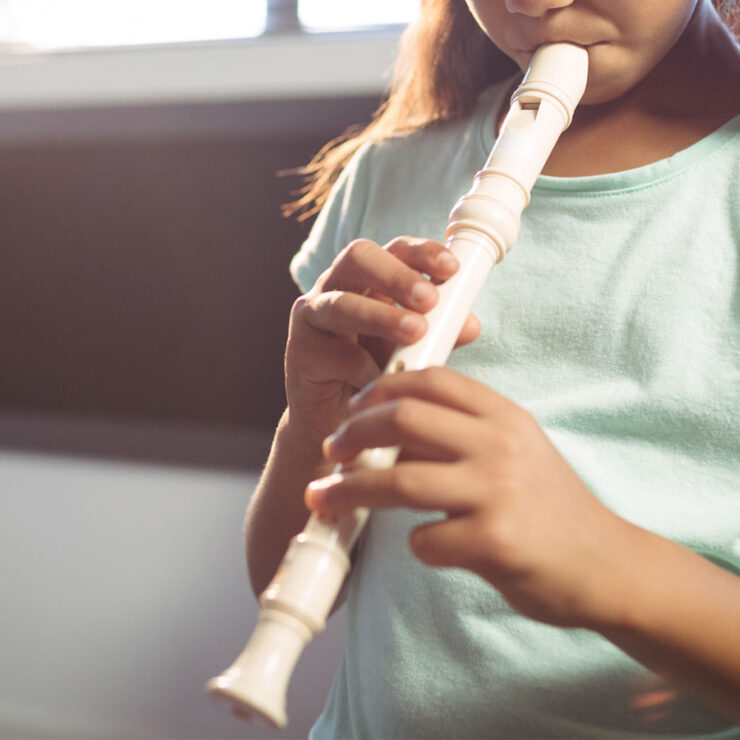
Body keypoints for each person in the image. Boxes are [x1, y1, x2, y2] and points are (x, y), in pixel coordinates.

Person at [246, 0, 740, 736]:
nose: (531, 4)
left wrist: (605, 564)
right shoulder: (391, 171)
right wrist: (312, 421)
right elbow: (275, 575)